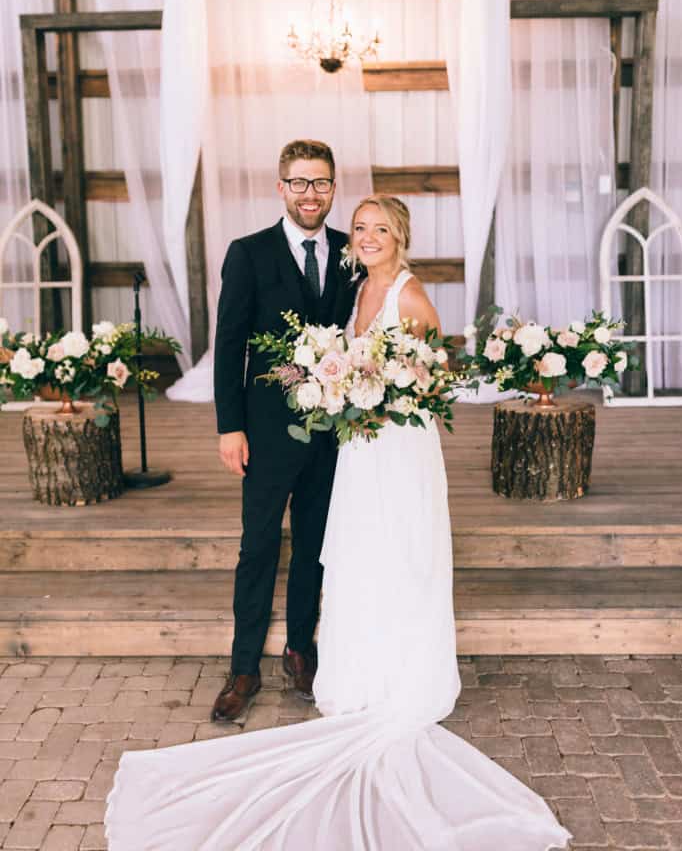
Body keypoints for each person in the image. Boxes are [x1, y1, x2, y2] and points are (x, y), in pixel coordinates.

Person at [104, 195, 571, 851]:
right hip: (358, 449)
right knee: (355, 557)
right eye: (361, 227)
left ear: (399, 235)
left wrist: (384, 395)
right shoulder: (356, 291)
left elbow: (439, 376)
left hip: (398, 451)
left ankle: (405, 677)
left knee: (401, 557)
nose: (369, 236)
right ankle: (351, 672)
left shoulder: (409, 294)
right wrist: (346, 388)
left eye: (381, 228)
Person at [211, 139, 357, 720]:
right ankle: (244, 666)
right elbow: (229, 345)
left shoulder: (351, 251)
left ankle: (301, 650)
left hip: (332, 432)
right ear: (281, 188)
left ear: (333, 187)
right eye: (298, 183)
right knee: (259, 546)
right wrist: (230, 428)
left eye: (320, 183)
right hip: (267, 430)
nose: (310, 194)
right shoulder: (248, 253)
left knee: (315, 547)